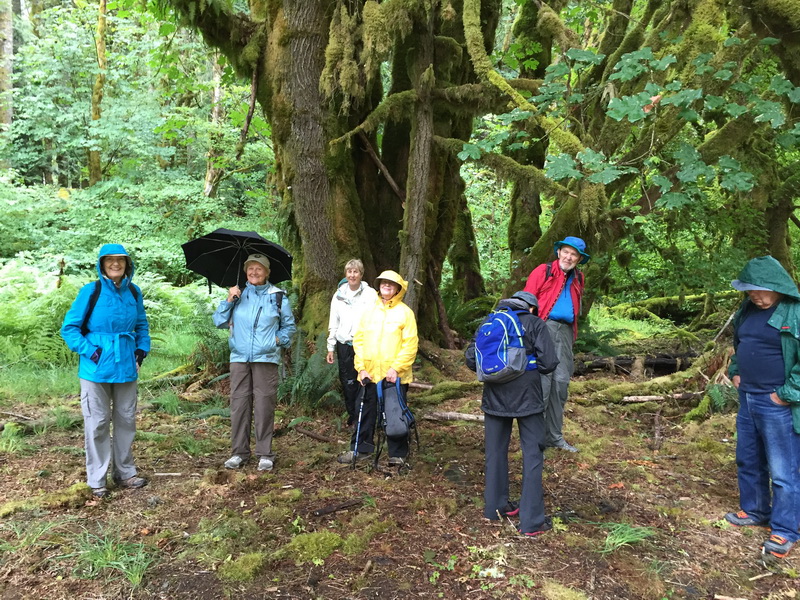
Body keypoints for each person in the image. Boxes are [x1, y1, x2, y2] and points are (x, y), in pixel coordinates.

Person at [725, 255, 800, 559]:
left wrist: (785, 394)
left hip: (778, 403)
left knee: (784, 470)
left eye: (759, 289)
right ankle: (755, 509)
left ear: (776, 285)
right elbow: (739, 345)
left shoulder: (794, 312)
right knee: (749, 458)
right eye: (749, 290)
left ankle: (785, 530)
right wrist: (734, 371)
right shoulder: (748, 309)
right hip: (748, 398)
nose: (754, 295)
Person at [61, 244, 151, 498]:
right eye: (109, 260)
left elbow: (142, 324)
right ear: (101, 264)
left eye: (120, 260)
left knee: (126, 420)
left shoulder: (133, 291)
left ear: (127, 264)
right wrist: (93, 352)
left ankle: (125, 472)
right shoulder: (91, 291)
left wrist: (141, 350)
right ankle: (97, 478)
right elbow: (70, 328)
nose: (115, 264)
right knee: (98, 422)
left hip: (126, 366)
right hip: (95, 368)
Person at [466, 291, 558, 537]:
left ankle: (495, 507)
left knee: (495, 452)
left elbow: (471, 359)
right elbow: (549, 363)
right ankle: (532, 522)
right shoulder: (535, 323)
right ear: (530, 308)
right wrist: (525, 367)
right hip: (528, 397)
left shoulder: (490, 321)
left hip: (494, 396)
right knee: (532, 454)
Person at [213, 253, 296, 471]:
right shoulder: (238, 294)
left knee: (264, 405)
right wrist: (228, 300)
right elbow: (219, 321)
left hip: (266, 358)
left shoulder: (277, 296)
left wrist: (278, 339)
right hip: (239, 357)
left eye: (259, 269)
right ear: (245, 271)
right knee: (239, 404)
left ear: (267, 272)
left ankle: (265, 453)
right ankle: (239, 452)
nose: (254, 272)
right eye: (250, 268)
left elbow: (289, 326)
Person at [337, 270, 418, 468]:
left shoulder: (405, 313)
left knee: (394, 414)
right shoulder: (369, 311)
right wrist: (361, 368)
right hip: (370, 374)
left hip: (394, 376)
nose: (387, 286)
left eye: (391, 284)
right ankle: (361, 449)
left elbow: (410, 344)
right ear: (379, 286)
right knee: (363, 412)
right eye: (384, 283)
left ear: (398, 288)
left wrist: (396, 368)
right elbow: (359, 340)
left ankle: (397, 454)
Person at [523, 236, 589, 452]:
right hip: (544, 328)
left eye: (574, 255)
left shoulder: (578, 278)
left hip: (566, 333)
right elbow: (528, 300)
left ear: (579, 259)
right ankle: (534, 439)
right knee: (542, 383)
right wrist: (530, 333)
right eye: (566, 252)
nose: (569, 257)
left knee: (560, 385)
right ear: (559, 252)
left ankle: (554, 437)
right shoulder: (543, 271)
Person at [326, 259, 378, 426]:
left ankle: (367, 417)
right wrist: (330, 347)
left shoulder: (370, 294)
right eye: (349, 272)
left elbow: (376, 319)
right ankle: (354, 416)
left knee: (365, 380)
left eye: (355, 272)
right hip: (344, 344)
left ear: (361, 274)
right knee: (348, 382)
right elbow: (333, 322)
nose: (352, 275)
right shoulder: (339, 295)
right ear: (345, 274)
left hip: (364, 345)